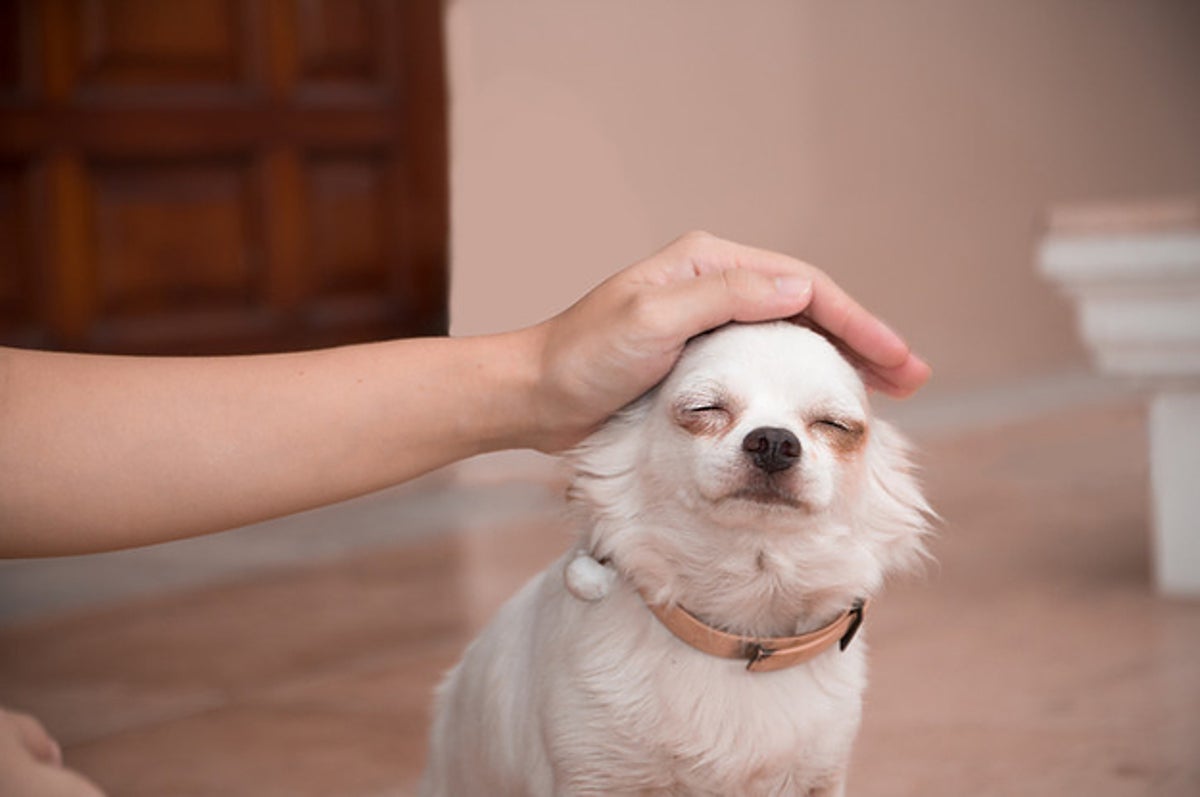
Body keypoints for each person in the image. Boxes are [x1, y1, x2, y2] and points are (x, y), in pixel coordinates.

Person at [0, 231, 930, 794]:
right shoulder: (596, 655)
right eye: (707, 414)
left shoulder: (840, 658)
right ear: (627, 444)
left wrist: (534, 381)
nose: (773, 441)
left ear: (876, 469)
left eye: (828, 428)